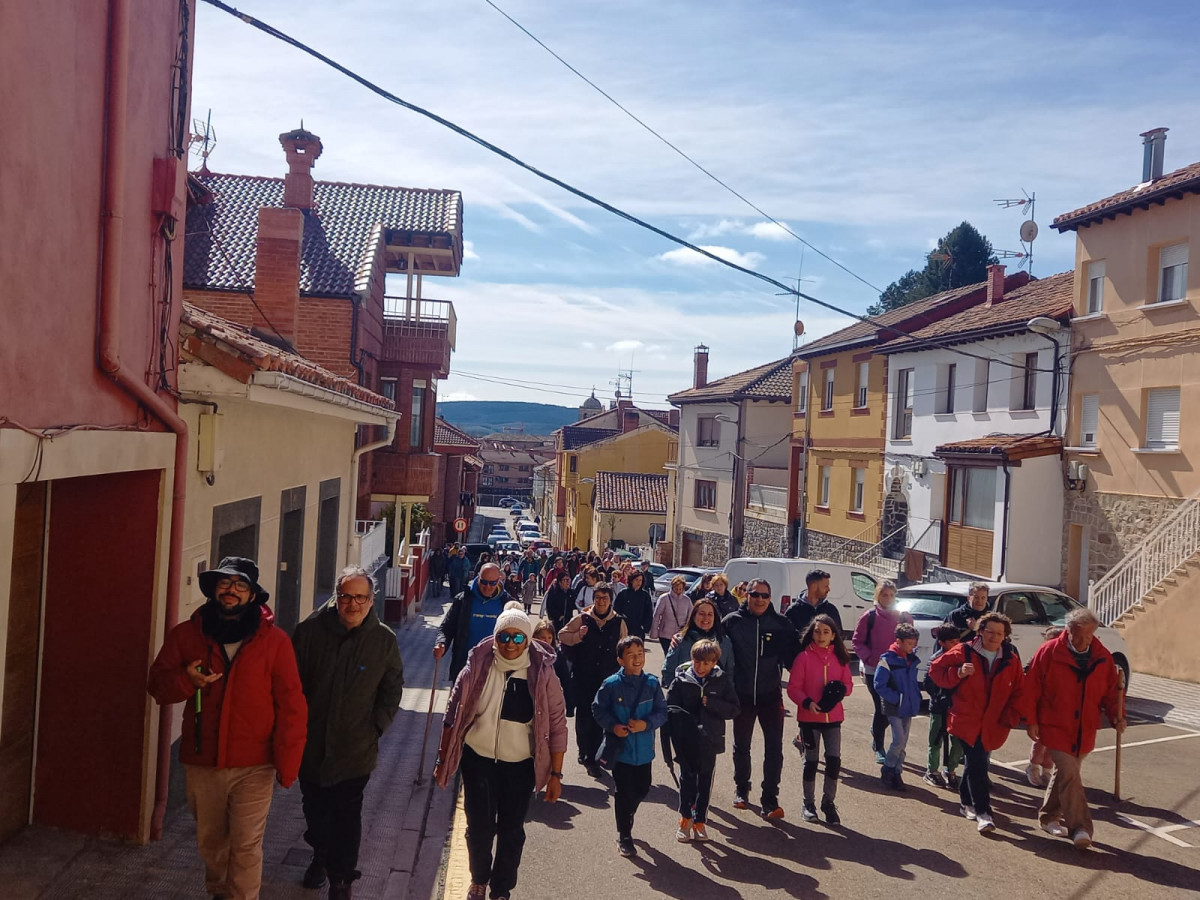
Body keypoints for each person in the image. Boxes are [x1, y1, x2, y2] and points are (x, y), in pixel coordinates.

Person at [147, 557, 307, 900]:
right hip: (203, 762)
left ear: (252, 595)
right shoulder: (187, 635)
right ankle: (219, 891)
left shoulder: (274, 642)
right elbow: (157, 686)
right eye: (224, 583)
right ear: (213, 590)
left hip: (255, 764)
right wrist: (186, 681)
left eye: (240, 585)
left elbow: (292, 705)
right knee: (212, 844)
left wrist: (288, 765)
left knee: (247, 844)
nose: (231, 590)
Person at [434, 603, 567, 900]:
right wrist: (442, 758)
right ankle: (479, 879)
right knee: (479, 829)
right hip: (478, 762)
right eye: (504, 637)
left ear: (528, 640)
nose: (510, 644)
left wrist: (556, 774)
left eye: (518, 638)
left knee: (511, 831)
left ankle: (501, 889)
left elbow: (558, 726)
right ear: (494, 637)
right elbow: (452, 718)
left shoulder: (543, 676)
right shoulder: (475, 669)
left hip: (520, 766)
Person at [292, 567, 405, 899]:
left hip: (355, 749)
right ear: (336, 597)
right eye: (346, 596)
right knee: (315, 812)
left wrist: (375, 728)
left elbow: (391, 690)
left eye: (360, 597)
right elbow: (290, 685)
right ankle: (320, 854)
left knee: (346, 815)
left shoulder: (383, 640)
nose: (352, 604)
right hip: (311, 747)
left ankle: (341, 879)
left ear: (371, 600)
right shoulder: (310, 631)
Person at [1023, 608, 1125, 849]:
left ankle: (1048, 817)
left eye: (1090, 635)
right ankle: (1080, 828)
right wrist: (1031, 719)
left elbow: (1112, 693)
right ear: (1068, 631)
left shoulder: (1101, 656)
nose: (1084, 641)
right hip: (1055, 725)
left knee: (1065, 774)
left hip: (1084, 729)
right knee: (1069, 772)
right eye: (1079, 635)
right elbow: (1031, 688)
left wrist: (1117, 717)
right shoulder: (1048, 652)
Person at [929, 611, 1025, 834]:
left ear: (1005, 636)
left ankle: (965, 802)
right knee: (979, 764)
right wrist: (958, 673)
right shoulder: (964, 650)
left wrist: (1012, 716)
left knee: (975, 764)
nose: (994, 636)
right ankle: (984, 812)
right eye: (989, 631)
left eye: (999, 633)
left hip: (994, 723)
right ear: (980, 631)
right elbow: (935, 669)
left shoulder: (1011, 658)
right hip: (967, 719)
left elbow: (1020, 690)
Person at [723, 578, 799, 819]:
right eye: (755, 594)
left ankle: (769, 799)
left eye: (765, 596)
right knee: (741, 745)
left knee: (774, 749)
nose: (760, 599)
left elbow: (797, 657)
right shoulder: (732, 622)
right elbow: (710, 643)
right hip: (742, 695)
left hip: (770, 695)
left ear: (770, 598)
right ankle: (741, 789)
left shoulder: (781, 624)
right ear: (746, 595)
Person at [592, 635, 668, 858]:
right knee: (624, 792)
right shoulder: (611, 685)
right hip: (621, 751)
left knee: (643, 788)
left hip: (645, 751)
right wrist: (613, 726)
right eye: (631, 655)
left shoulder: (652, 684)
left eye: (640, 654)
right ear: (620, 660)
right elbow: (597, 710)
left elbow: (662, 712)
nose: (637, 659)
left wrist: (646, 724)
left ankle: (628, 814)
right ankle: (624, 834)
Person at [665, 639, 740, 842]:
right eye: (697, 662)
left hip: (710, 739)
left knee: (705, 781)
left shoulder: (721, 680)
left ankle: (700, 821)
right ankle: (685, 819)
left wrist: (713, 703)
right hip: (686, 740)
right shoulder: (681, 680)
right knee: (687, 779)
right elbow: (669, 708)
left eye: (706, 663)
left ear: (714, 662)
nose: (700, 667)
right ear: (691, 659)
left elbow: (734, 709)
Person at [786, 614, 853, 825]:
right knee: (811, 761)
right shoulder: (803, 658)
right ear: (811, 633)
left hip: (833, 719)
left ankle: (828, 803)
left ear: (833, 635)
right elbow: (793, 688)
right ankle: (809, 803)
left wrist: (840, 691)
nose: (821, 635)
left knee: (833, 761)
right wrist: (807, 703)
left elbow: (849, 685)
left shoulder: (840, 658)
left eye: (826, 631)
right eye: (817, 631)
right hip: (809, 718)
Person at [558, 584, 628, 775]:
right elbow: (562, 635)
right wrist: (578, 636)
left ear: (610, 600)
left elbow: (625, 647)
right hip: (583, 676)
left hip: (608, 679)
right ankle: (585, 753)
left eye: (604, 598)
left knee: (602, 718)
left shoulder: (619, 621)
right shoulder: (583, 618)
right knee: (584, 717)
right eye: (597, 597)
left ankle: (595, 756)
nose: (601, 601)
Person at [851, 580, 911, 764]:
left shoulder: (904, 617)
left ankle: (883, 737)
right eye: (884, 594)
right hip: (874, 670)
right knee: (882, 708)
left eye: (892, 595)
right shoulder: (869, 616)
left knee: (894, 708)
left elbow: (911, 641)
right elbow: (857, 641)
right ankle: (878, 745)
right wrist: (869, 657)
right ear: (878, 596)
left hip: (898, 671)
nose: (889, 598)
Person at [435, 562, 509, 682]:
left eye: (492, 583)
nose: (487, 587)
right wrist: (441, 643)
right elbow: (447, 628)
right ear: (478, 578)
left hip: (495, 669)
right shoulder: (463, 599)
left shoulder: (507, 603)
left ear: (499, 580)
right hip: (465, 667)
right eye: (484, 582)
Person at [873, 623, 922, 791]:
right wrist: (897, 698)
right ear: (899, 641)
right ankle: (888, 769)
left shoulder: (912, 659)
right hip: (894, 706)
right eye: (909, 643)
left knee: (904, 741)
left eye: (914, 643)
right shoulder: (887, 659)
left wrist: (914, 698)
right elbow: (879, 684)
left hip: (908, 705)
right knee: (899, 739)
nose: (912, 646)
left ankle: (897, 772)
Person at [922, 624, 964, 789]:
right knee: (935, 740)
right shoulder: (936, 660)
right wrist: (939, 698)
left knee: (957, 741)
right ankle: (932, 771)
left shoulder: (961, 658)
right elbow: (928, 683)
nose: (956, 644)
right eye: (952, 641)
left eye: (958, 641)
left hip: (957, 709)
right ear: (941, 642)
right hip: (939, 708)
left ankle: (951, 770)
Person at [661, 597, 734, 689]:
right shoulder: (680, 640)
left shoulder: (724, 641)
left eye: (710, 614)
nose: (706, 618)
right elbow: (668, 671)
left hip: (715, 697)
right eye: (701, 614)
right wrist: (677, 692)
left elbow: (730, 672)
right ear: (694, 616)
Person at [1026, 626, 1063, 788]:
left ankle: (1047, 769)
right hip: (1044, 706)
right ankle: (1033, 766)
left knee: (1054, 741)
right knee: (1041, 740)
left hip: (1060, 707)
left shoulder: (1066, 660)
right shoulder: (1040, 657)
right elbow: (1030, 682)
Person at [533, 617, 574, 717]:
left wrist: (570, 706)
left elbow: (565, 680)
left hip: (550, 700)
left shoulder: (557, 655)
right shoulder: (529, 653)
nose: (546, 641)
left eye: (549, 638)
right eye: (542, 637)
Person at [784, 569, 843, 637]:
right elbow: (786, 638)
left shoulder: (831, 610)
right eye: (825, 586)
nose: (829, 589)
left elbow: (839, 636)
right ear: (813, 586)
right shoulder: (793, 611)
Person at [650, 575, 693, 653]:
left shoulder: (687, 600)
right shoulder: (664, 598)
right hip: (665, 634)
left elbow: (690, 617)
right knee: (668, 654)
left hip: (681, 634)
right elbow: (656, 615)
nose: (678, 590)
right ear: (672, 587)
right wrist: (654, 632)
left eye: (680, 588)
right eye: (676, 588)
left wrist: (688, 631)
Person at [614, 570, 654, 638]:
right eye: (636, 580)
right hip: (624, 628)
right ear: (632, 580)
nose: (638, 582)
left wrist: (645, 627)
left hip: (638, 630)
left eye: (640, 580)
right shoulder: (623, 593)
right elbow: (616, 610)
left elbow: (649, 613)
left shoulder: (645, 596)